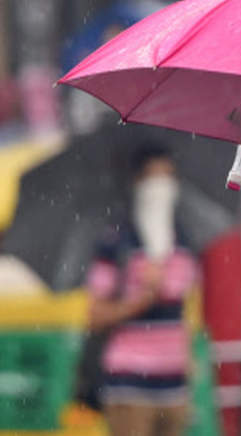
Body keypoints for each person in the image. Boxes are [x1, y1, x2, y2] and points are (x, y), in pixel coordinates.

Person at [86, 144, 197, 436]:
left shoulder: (183, 239)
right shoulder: (118, 242)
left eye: (168, 176)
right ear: (138, 182)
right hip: (131, 386)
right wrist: (140, 300)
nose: (162, 186)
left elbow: (186, 309)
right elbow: (94, 315)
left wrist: (190, 368)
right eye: (153, 177)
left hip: (174, 387)